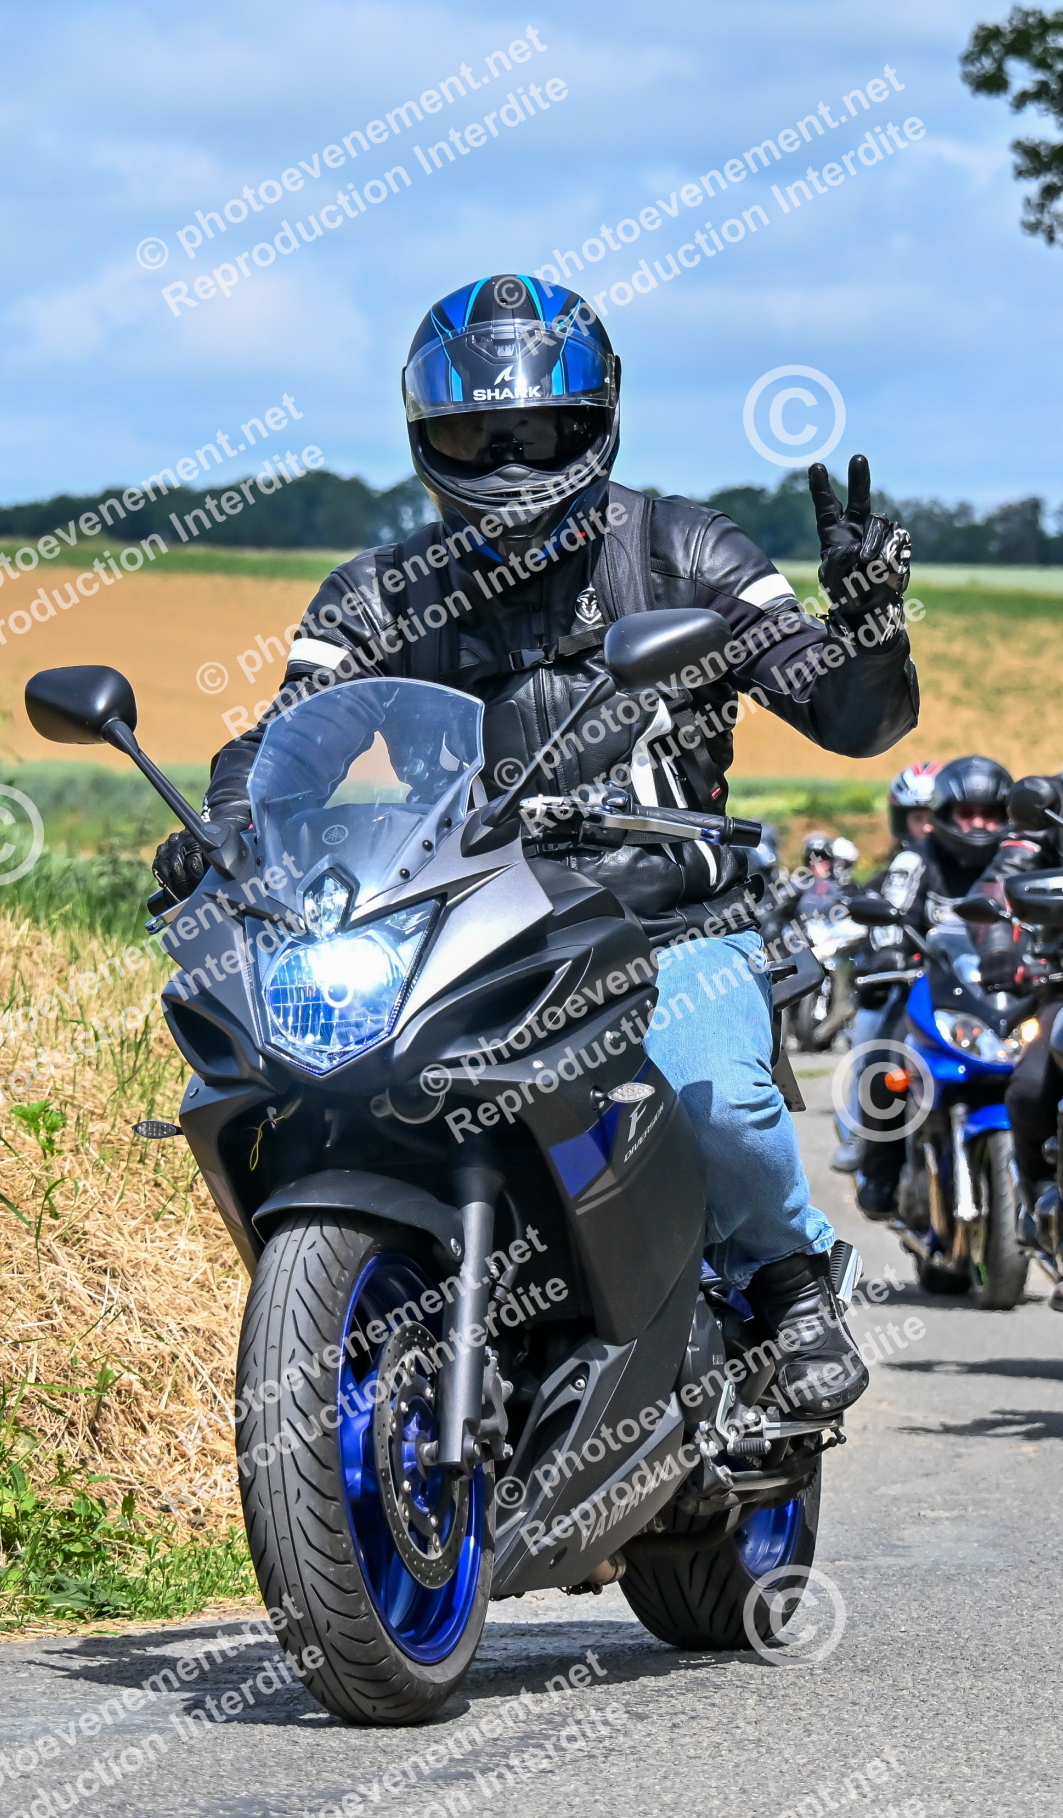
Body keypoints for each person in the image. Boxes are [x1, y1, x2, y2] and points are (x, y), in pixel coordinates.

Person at [154, 274, 919, 1416]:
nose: (508, 462)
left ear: (594, 421)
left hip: (664, 924)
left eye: (538, 431)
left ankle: (785, 1285)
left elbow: (849, 717)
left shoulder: (681, 550)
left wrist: (869, 633)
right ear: (428, 437)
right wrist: (228, 829)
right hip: (469, 925)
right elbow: (284, 740)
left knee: (711, 1092)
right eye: (478, 434)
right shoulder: (383, 592)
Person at [970, 687, 1063, 1309]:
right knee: (1029, 1083)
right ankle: (1044, 1199)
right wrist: (1002, 946)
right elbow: (1001, 883)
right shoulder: (1053, 804)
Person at [853, 754, 1011, 1218]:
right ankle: (879, 1174)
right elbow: (891, 913)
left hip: (1004, 996)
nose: (979, 824)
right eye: (967, 813)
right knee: (885, 1064)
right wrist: (888, 953)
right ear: (942, 815)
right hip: (928, 990)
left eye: (990, 814)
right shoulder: (916, 859)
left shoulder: (1018, 859)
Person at [830, 763, 943, 1173]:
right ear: (901, 820)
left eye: (935, 816)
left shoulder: (981, 866)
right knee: (874, 1045)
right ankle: (863, 1136)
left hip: (966, 987)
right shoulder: (899, 869)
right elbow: (887, 920)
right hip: (907, 985)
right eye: (918, 817)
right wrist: (889, 956)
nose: (928, 827)